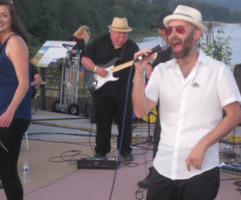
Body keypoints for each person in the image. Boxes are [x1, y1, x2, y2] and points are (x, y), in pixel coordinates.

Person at [132, 5, 241, 200]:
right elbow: (140, 111)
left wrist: (203, 144)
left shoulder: (218, 71)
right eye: (170, 30)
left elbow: (235, 115)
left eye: (180, 29)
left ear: (196, 33)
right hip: (163, 169)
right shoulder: (161, 71)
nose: (173, 35)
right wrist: (139, 74)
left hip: (200, 173)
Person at [0, 0, 31, 199]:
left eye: (4, 15)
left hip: (13, 113)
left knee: (6, 168)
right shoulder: (1, 44)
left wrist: (10, 111)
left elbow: (24, 83)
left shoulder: (15, 42)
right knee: (2, 167)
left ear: (12, 18)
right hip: (4, 112)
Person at [81, 17, 139, 161]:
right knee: (103, 123)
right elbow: (84, 59)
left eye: (125, 33)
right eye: (119, 33)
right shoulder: (99, 42)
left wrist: (144, 64)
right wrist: (96, 69)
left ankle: (125, 150)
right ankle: (101, 151)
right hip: (102, 91)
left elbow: (139, 67)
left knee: (125, 123)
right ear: (112, 31)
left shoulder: (132, 47)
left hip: (124, 91)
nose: (122, 36)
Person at [137, 11, 173, 188]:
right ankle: (157, 174)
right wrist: (147, 66)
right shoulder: (164, 49)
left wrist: (151, 71)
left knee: (167, 142)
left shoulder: (176, 50)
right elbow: (155, 74)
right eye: (159, 29)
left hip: (175, 106)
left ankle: (163, 177)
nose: (160, 32)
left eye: (162, 29)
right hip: (163, 105)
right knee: (159, 140)